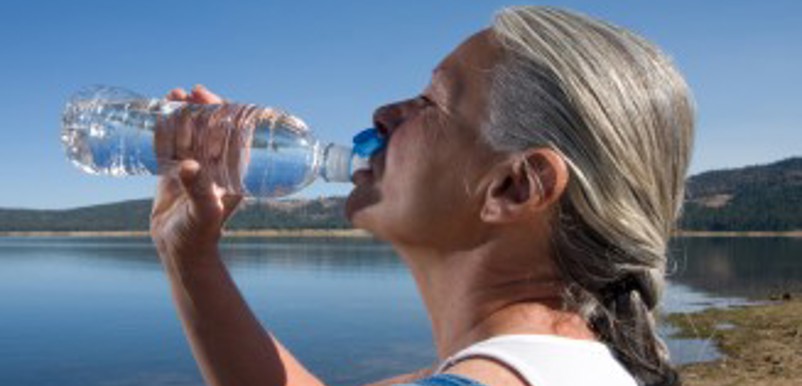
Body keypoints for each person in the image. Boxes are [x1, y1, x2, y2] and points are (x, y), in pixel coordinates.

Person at [150, 6, 694, 386]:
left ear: (514, 187)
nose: (383, 114)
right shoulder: (578, 367)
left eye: (429, 102)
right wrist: (190, 258)